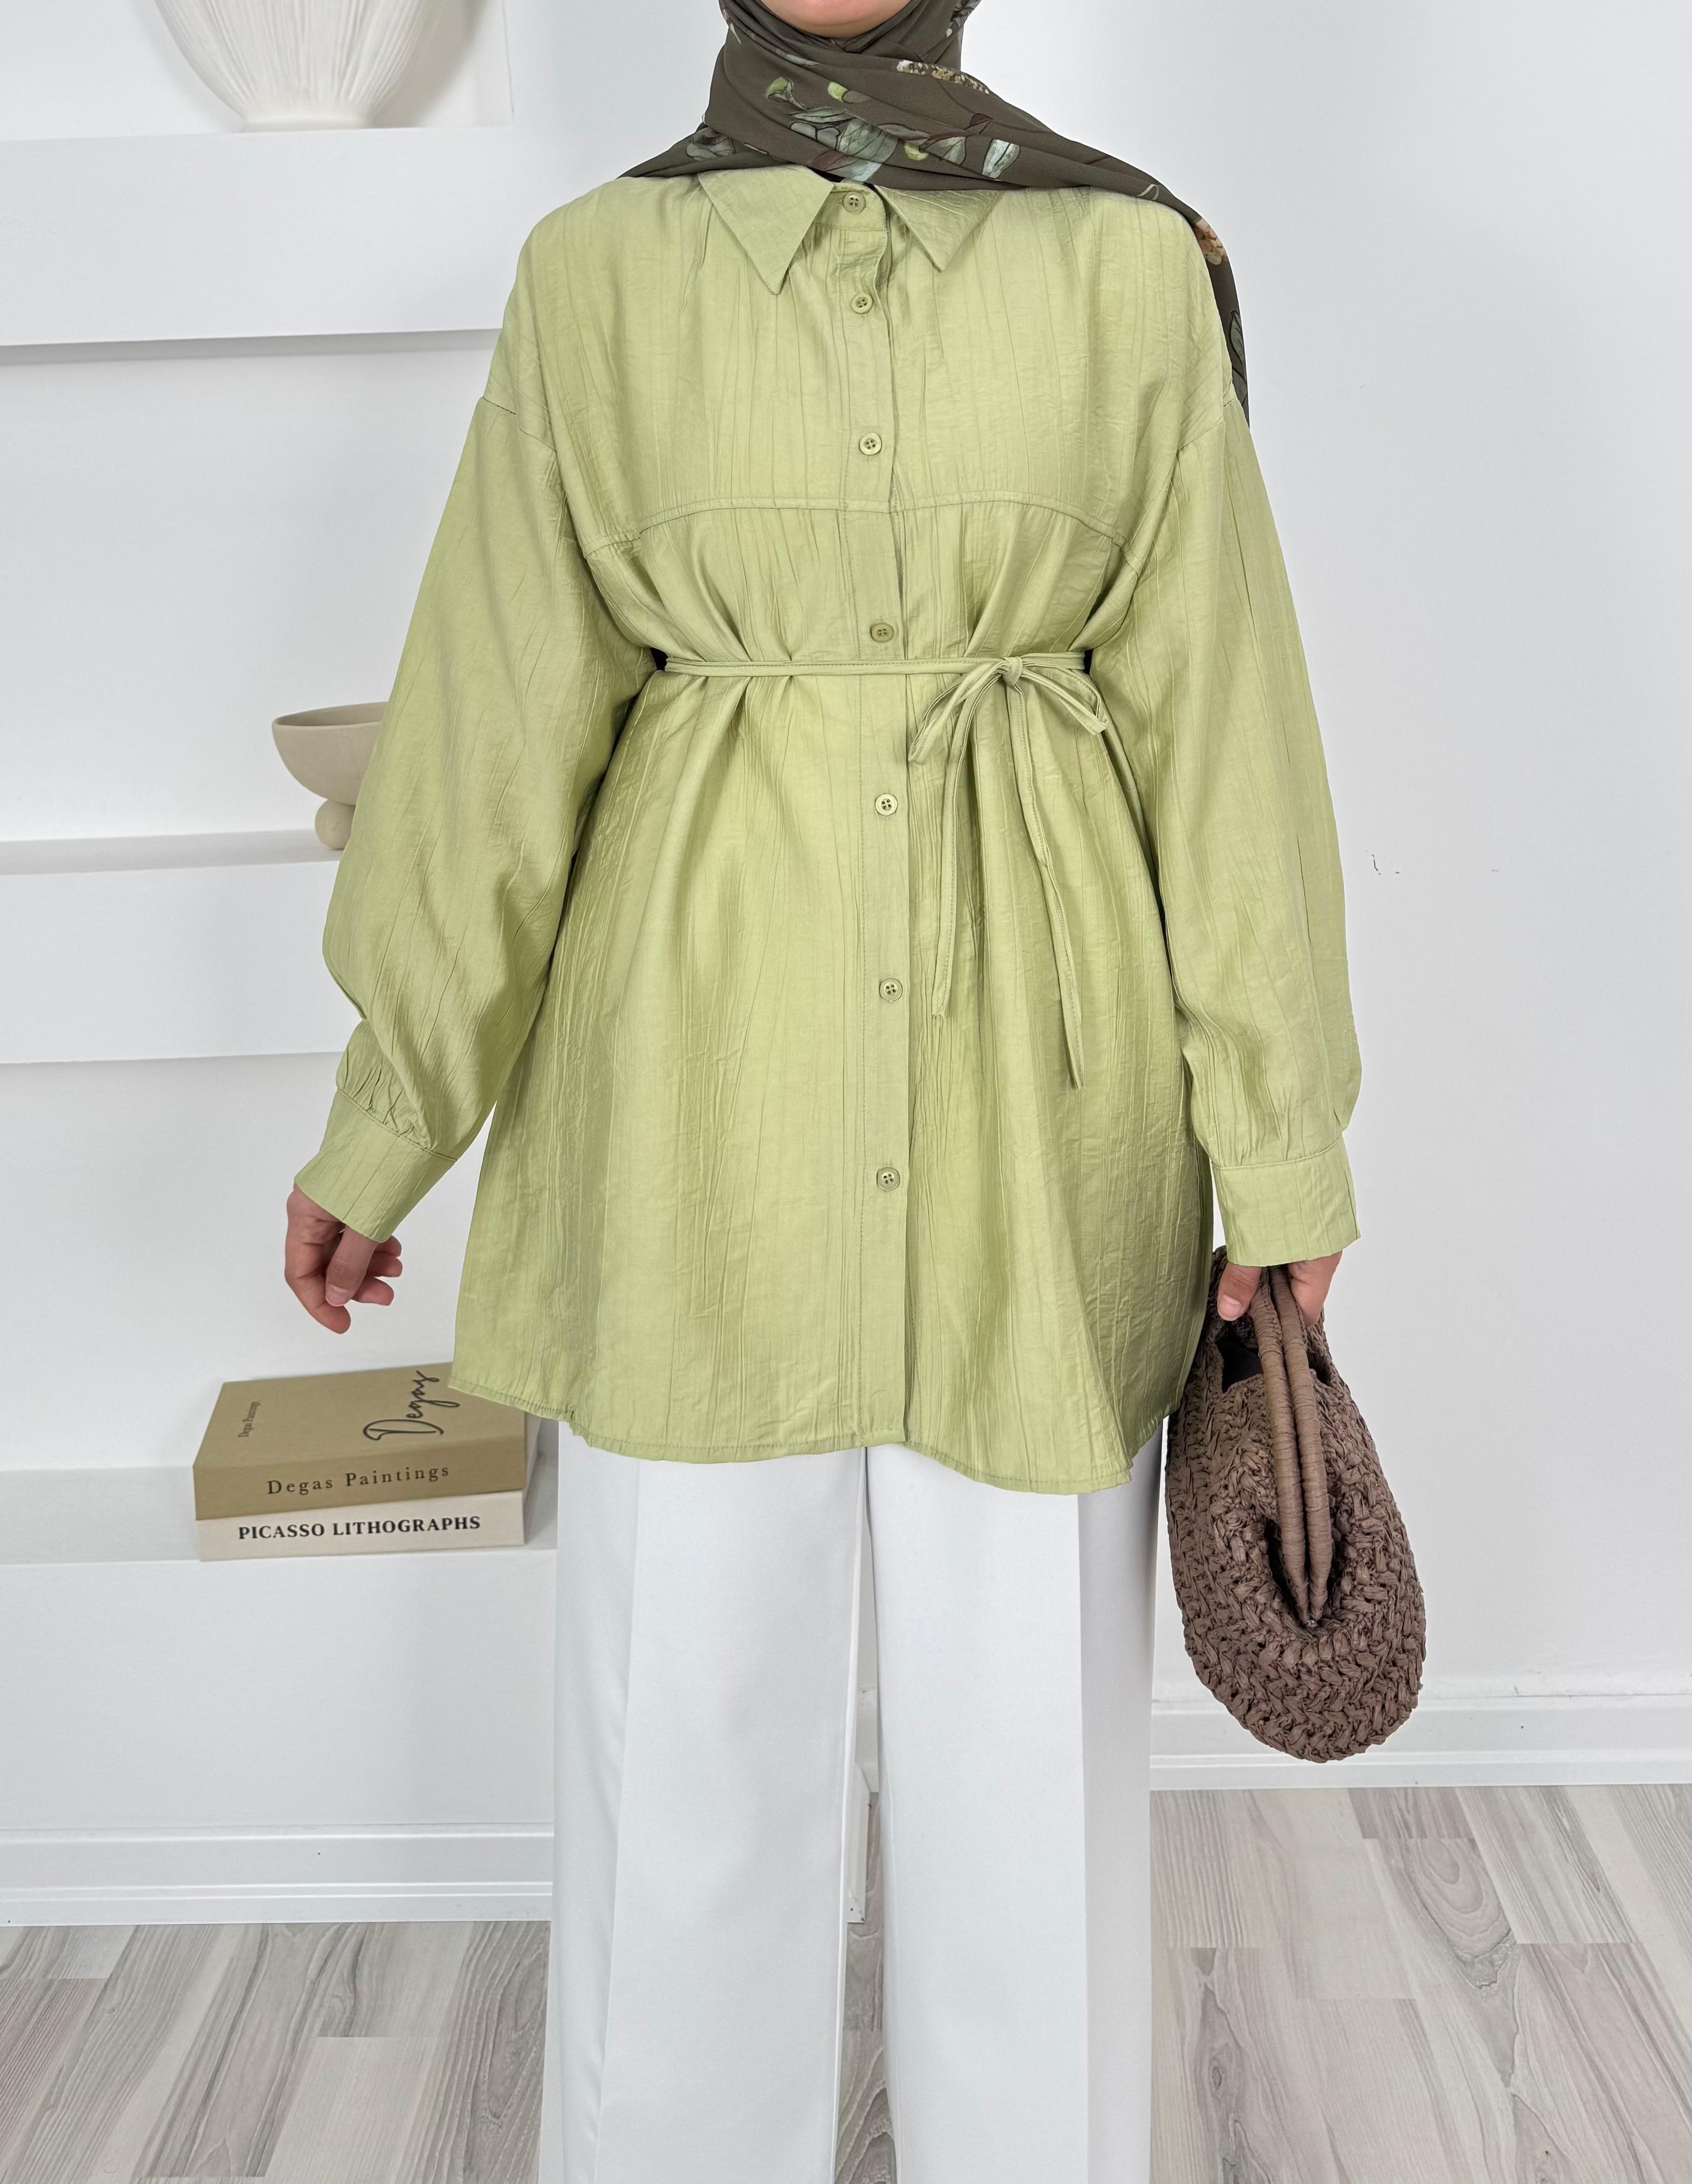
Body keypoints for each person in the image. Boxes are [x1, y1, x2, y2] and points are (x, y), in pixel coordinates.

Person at [283, 3, 1361, 2177]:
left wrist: (1278, 1142)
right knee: (680, 1761)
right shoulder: (598, 275)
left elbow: (1223, 721)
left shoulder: (1129, 265)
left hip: (1046, 1116)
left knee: (1029, 1774)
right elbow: (494, 725)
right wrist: (391, 1113)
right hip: (692, 1114)